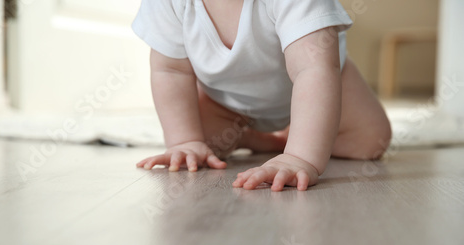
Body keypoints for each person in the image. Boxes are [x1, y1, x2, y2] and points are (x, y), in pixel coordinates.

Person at [132, 0, 392, 191]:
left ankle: (294, 141)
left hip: (320, 86)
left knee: (371, 140)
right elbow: (171, 71)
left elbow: (313, 69)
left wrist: (300, 158)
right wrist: (184, 140)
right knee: (205, 146)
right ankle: (261, 140)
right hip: (225, 100)